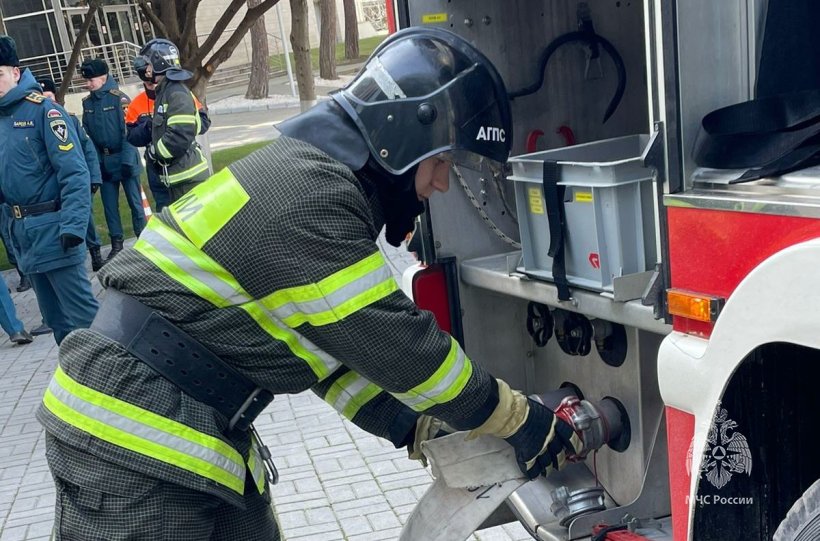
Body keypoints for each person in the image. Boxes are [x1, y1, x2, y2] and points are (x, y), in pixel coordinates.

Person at [37, 29, 593, 539]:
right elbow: (399, 346)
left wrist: (415, 426)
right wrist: (517, 420)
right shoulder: (313, 198)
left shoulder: (308, 178)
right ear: (398, 142)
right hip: (133, 439)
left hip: (172, 426)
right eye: (441, 161)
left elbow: (329, 355)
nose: (443, 183)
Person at [0, 36, 98, 345]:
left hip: (56, 232)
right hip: (24, 238)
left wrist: (73, 226)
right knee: (59, 327)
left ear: (16, 73)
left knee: (87, 321)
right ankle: (80, 386)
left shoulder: (45, 112)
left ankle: (123, 381)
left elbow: (75, 173)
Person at [125, 56, 211, 212]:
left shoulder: (176, 94)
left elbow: (203, 123)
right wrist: (150, 128)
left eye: (154, 82)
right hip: (155, 168)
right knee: (164, 210)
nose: (153, 86)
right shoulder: (136, 104)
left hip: (181, 162)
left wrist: (170, 129)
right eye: (149, 83)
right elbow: (131, 136)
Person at [80, 57, 145, 263]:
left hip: (125, 158)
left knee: (135, 204)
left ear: (103, 77)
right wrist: (99, 163)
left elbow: (128, 131)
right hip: (105, 161)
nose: (87, 84)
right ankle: (117, 244)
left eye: (91, 80)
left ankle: (143, 242)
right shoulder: (88, 103)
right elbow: (89, 135)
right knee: (109, 207)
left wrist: (126, 161)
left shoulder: (119, 99)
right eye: (86, 80)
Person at [38, 77, 105, 272]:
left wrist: (94, 178)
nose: (45, 101)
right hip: (53, 188)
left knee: (86, 219)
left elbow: (88, 150)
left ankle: (95, 253)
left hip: (76, 181)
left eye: (49, 97)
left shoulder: (68, 119)